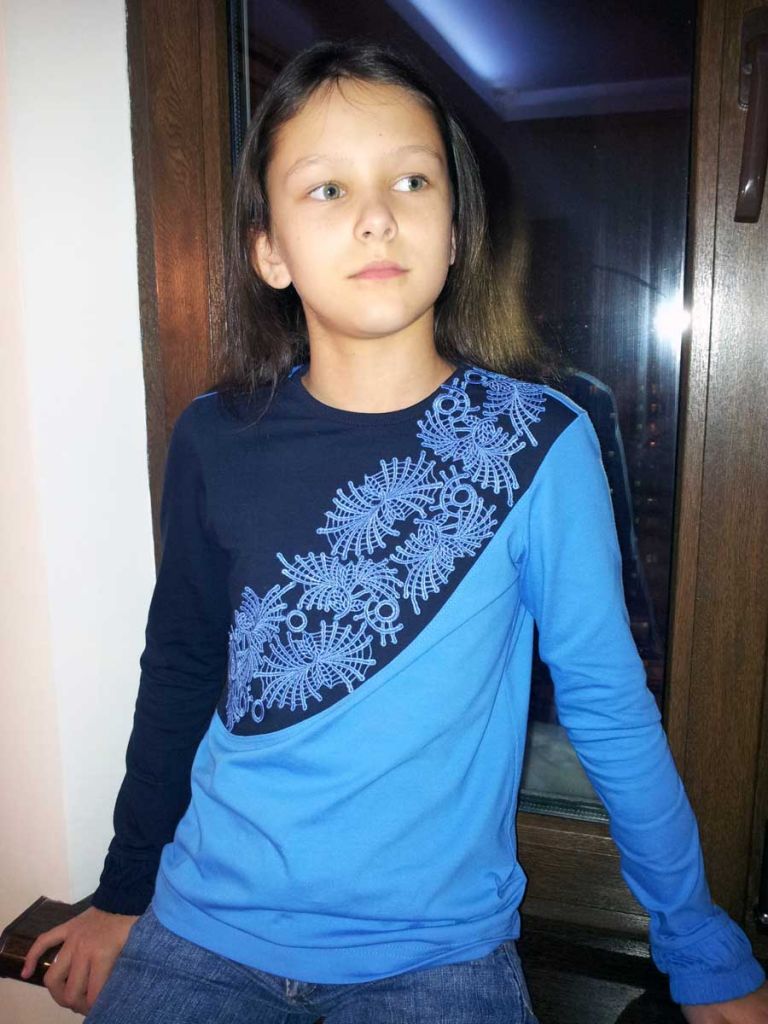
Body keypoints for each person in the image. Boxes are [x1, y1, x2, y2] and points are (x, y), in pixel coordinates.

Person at [22, 39, 768, 1024]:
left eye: (412, 180)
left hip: (436, 959)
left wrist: (700, 942)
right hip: (203, 930)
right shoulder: (213, 436)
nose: (376, 213)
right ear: (269, 250)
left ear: (455, 231)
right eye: (327, 188)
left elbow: (608, 704)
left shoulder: (539, 443)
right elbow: (181, 668)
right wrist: (123, 894)